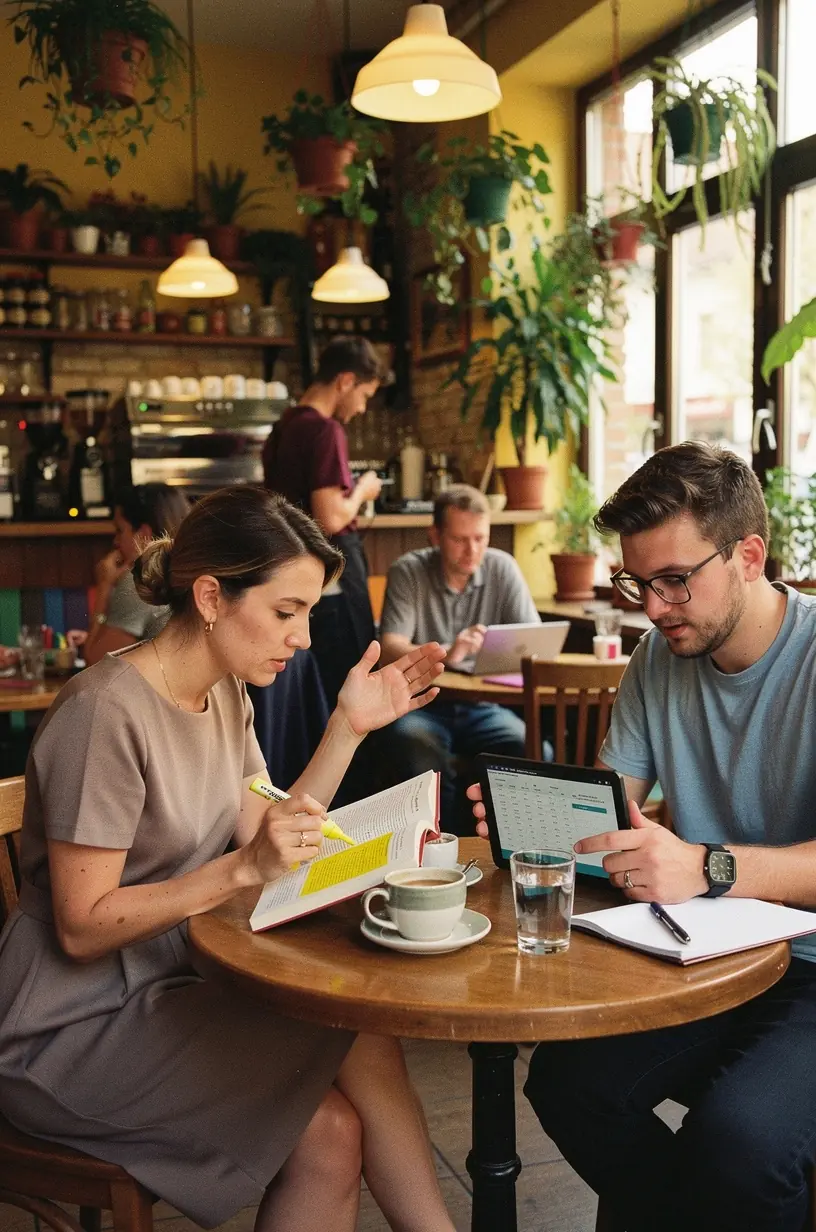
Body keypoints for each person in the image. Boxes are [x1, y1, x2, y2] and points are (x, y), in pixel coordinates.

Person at [0, 485, 456, 1232]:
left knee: (358, 1057)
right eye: (286, 612)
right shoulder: (103, 713)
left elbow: (270, 833)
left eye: (308, 612)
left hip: (163, 990)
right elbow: (83, 926)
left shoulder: (225, 694)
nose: (304, 638)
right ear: (211, 597)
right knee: (334, 1119)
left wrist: (347, 727)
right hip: (66, 1031)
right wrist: (240, 872)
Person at [469, 442, 816, 1232]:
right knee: (565, 1086)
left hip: (813, 969)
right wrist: (541, 827)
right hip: (708, 954)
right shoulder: (658, 659)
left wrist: (705, 865)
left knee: (741, 1145)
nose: (652, 608)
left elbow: (702, 868)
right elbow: (609, 820)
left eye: (674, 582)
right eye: (637, 582)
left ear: (749, 556)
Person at [379, 484, 541, 832]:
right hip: (421, 705)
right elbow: (390, 645)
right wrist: (448, 653)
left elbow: (534, 642)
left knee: (528, 745)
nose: (472, 550)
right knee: (414, 748)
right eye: (459, 539)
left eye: (480, 538)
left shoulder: (503, 568)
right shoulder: (408, 570)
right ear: (435, 535)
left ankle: (513, 845)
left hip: (483, 706)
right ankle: (434, 850)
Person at [262, 336, 384, 710]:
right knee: (350, 686)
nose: (362, 408)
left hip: (291, 569)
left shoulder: (282, 428)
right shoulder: (325, 430)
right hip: (333, 574)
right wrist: (363, 490)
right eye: (364, 395)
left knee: (312, 693)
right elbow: (329, 517)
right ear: (345, 381)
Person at [68, 483, 190, 666]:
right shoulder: (191, 572)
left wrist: (104, 586)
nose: (116, 541)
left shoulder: (143, 581)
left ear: (144, 534)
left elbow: (96, 663)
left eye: (120, 530)